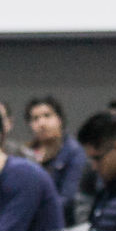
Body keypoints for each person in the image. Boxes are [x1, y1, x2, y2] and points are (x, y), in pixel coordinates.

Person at [25, 95, 87, 223]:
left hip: (62, 223)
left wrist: (34, 211)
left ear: (60, 119)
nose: (41, 123)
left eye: (47, 116)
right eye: (35, 119)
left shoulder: (74, 152)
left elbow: (68, 198)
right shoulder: (26, 153)